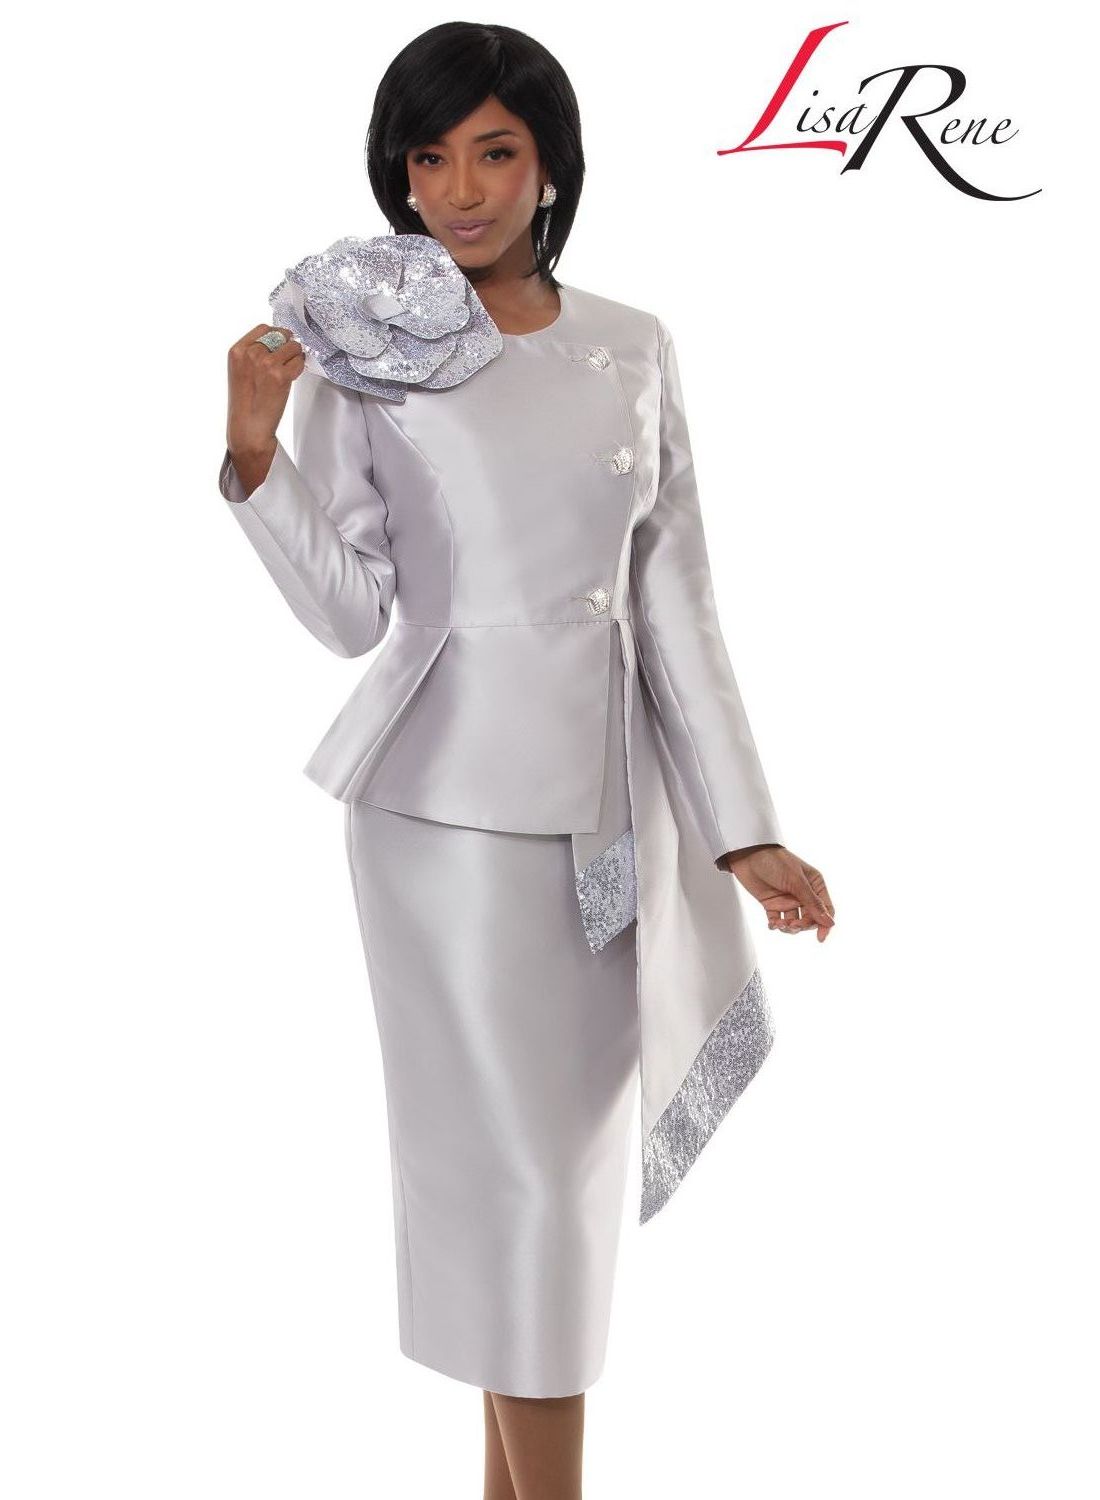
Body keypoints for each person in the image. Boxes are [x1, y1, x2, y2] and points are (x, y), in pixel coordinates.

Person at [219, 21, 834, 1499]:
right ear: (397, 176)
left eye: (493, 152)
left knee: (559, 1188)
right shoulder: (365, 357)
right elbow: (349, 613)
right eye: (428, 158)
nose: (459, 190)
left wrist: (745, 829)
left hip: (614, 821)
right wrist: (255, 455)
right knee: (519, 1187)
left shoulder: (635, 344)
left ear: (551, 164)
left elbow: (677, 603)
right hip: (442, 818)